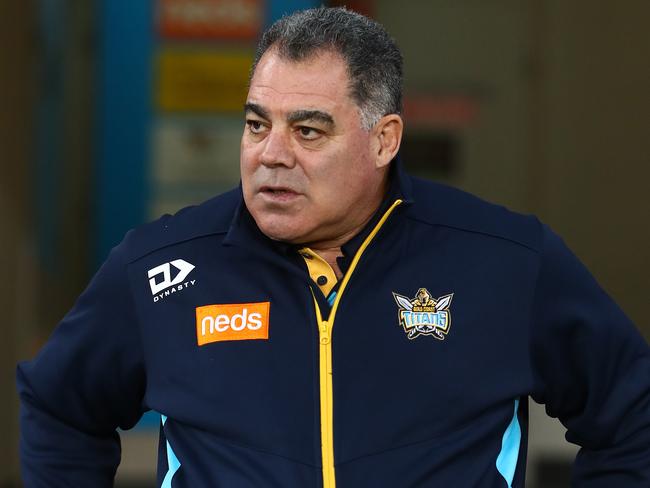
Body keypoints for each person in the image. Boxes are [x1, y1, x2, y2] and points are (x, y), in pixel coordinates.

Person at [17, 7, 649, 488]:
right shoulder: (163, 267)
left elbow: (633, 415)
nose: (271, 155)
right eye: (257, 124)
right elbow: (58, 407)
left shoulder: (506, 261)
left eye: (308, 130)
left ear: (384, 140)